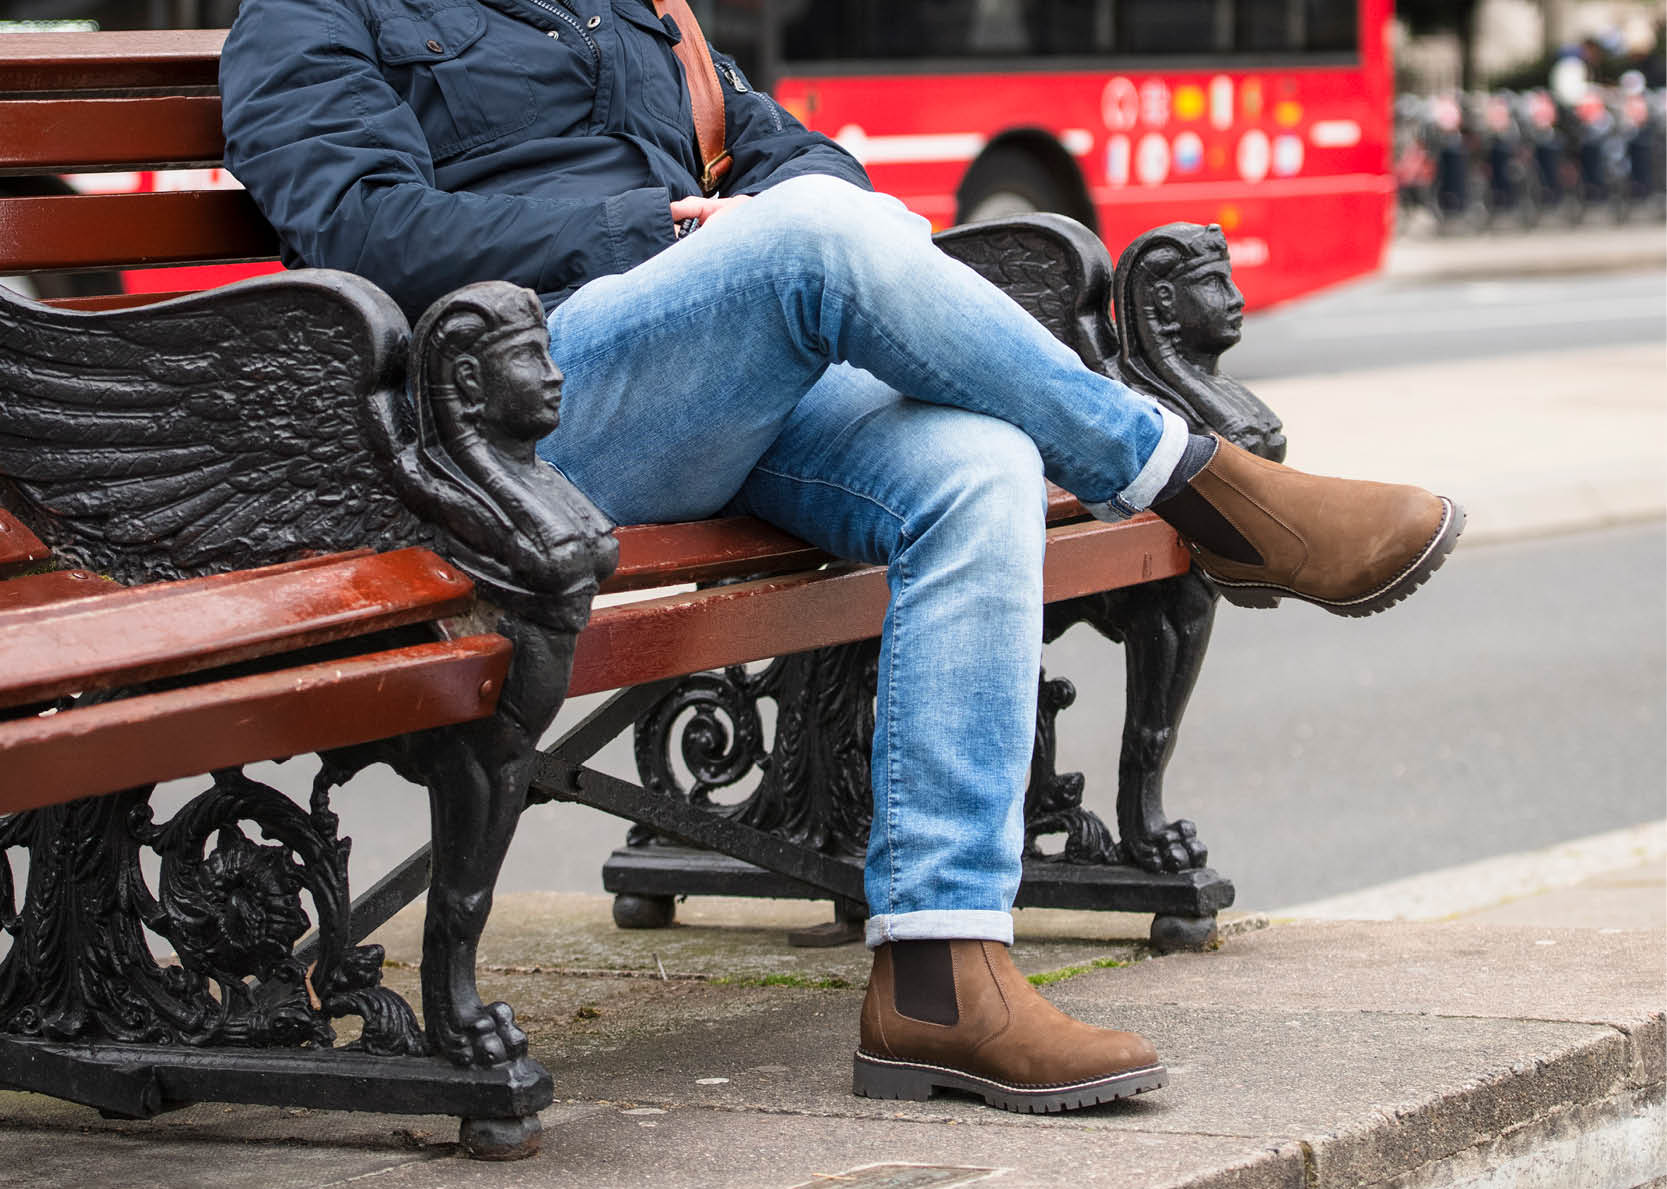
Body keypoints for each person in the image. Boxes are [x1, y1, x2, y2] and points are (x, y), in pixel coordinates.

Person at [221, 0, 1463, 1115]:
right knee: (811, 238)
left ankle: (938, 972)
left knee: (972, 462)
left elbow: (801, 154)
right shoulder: (313, 11)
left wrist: (765, 217)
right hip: (516, 415)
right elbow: (362, 232)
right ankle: (1205, 489)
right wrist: (660, 228)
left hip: (709, 380)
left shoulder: (624, 8)